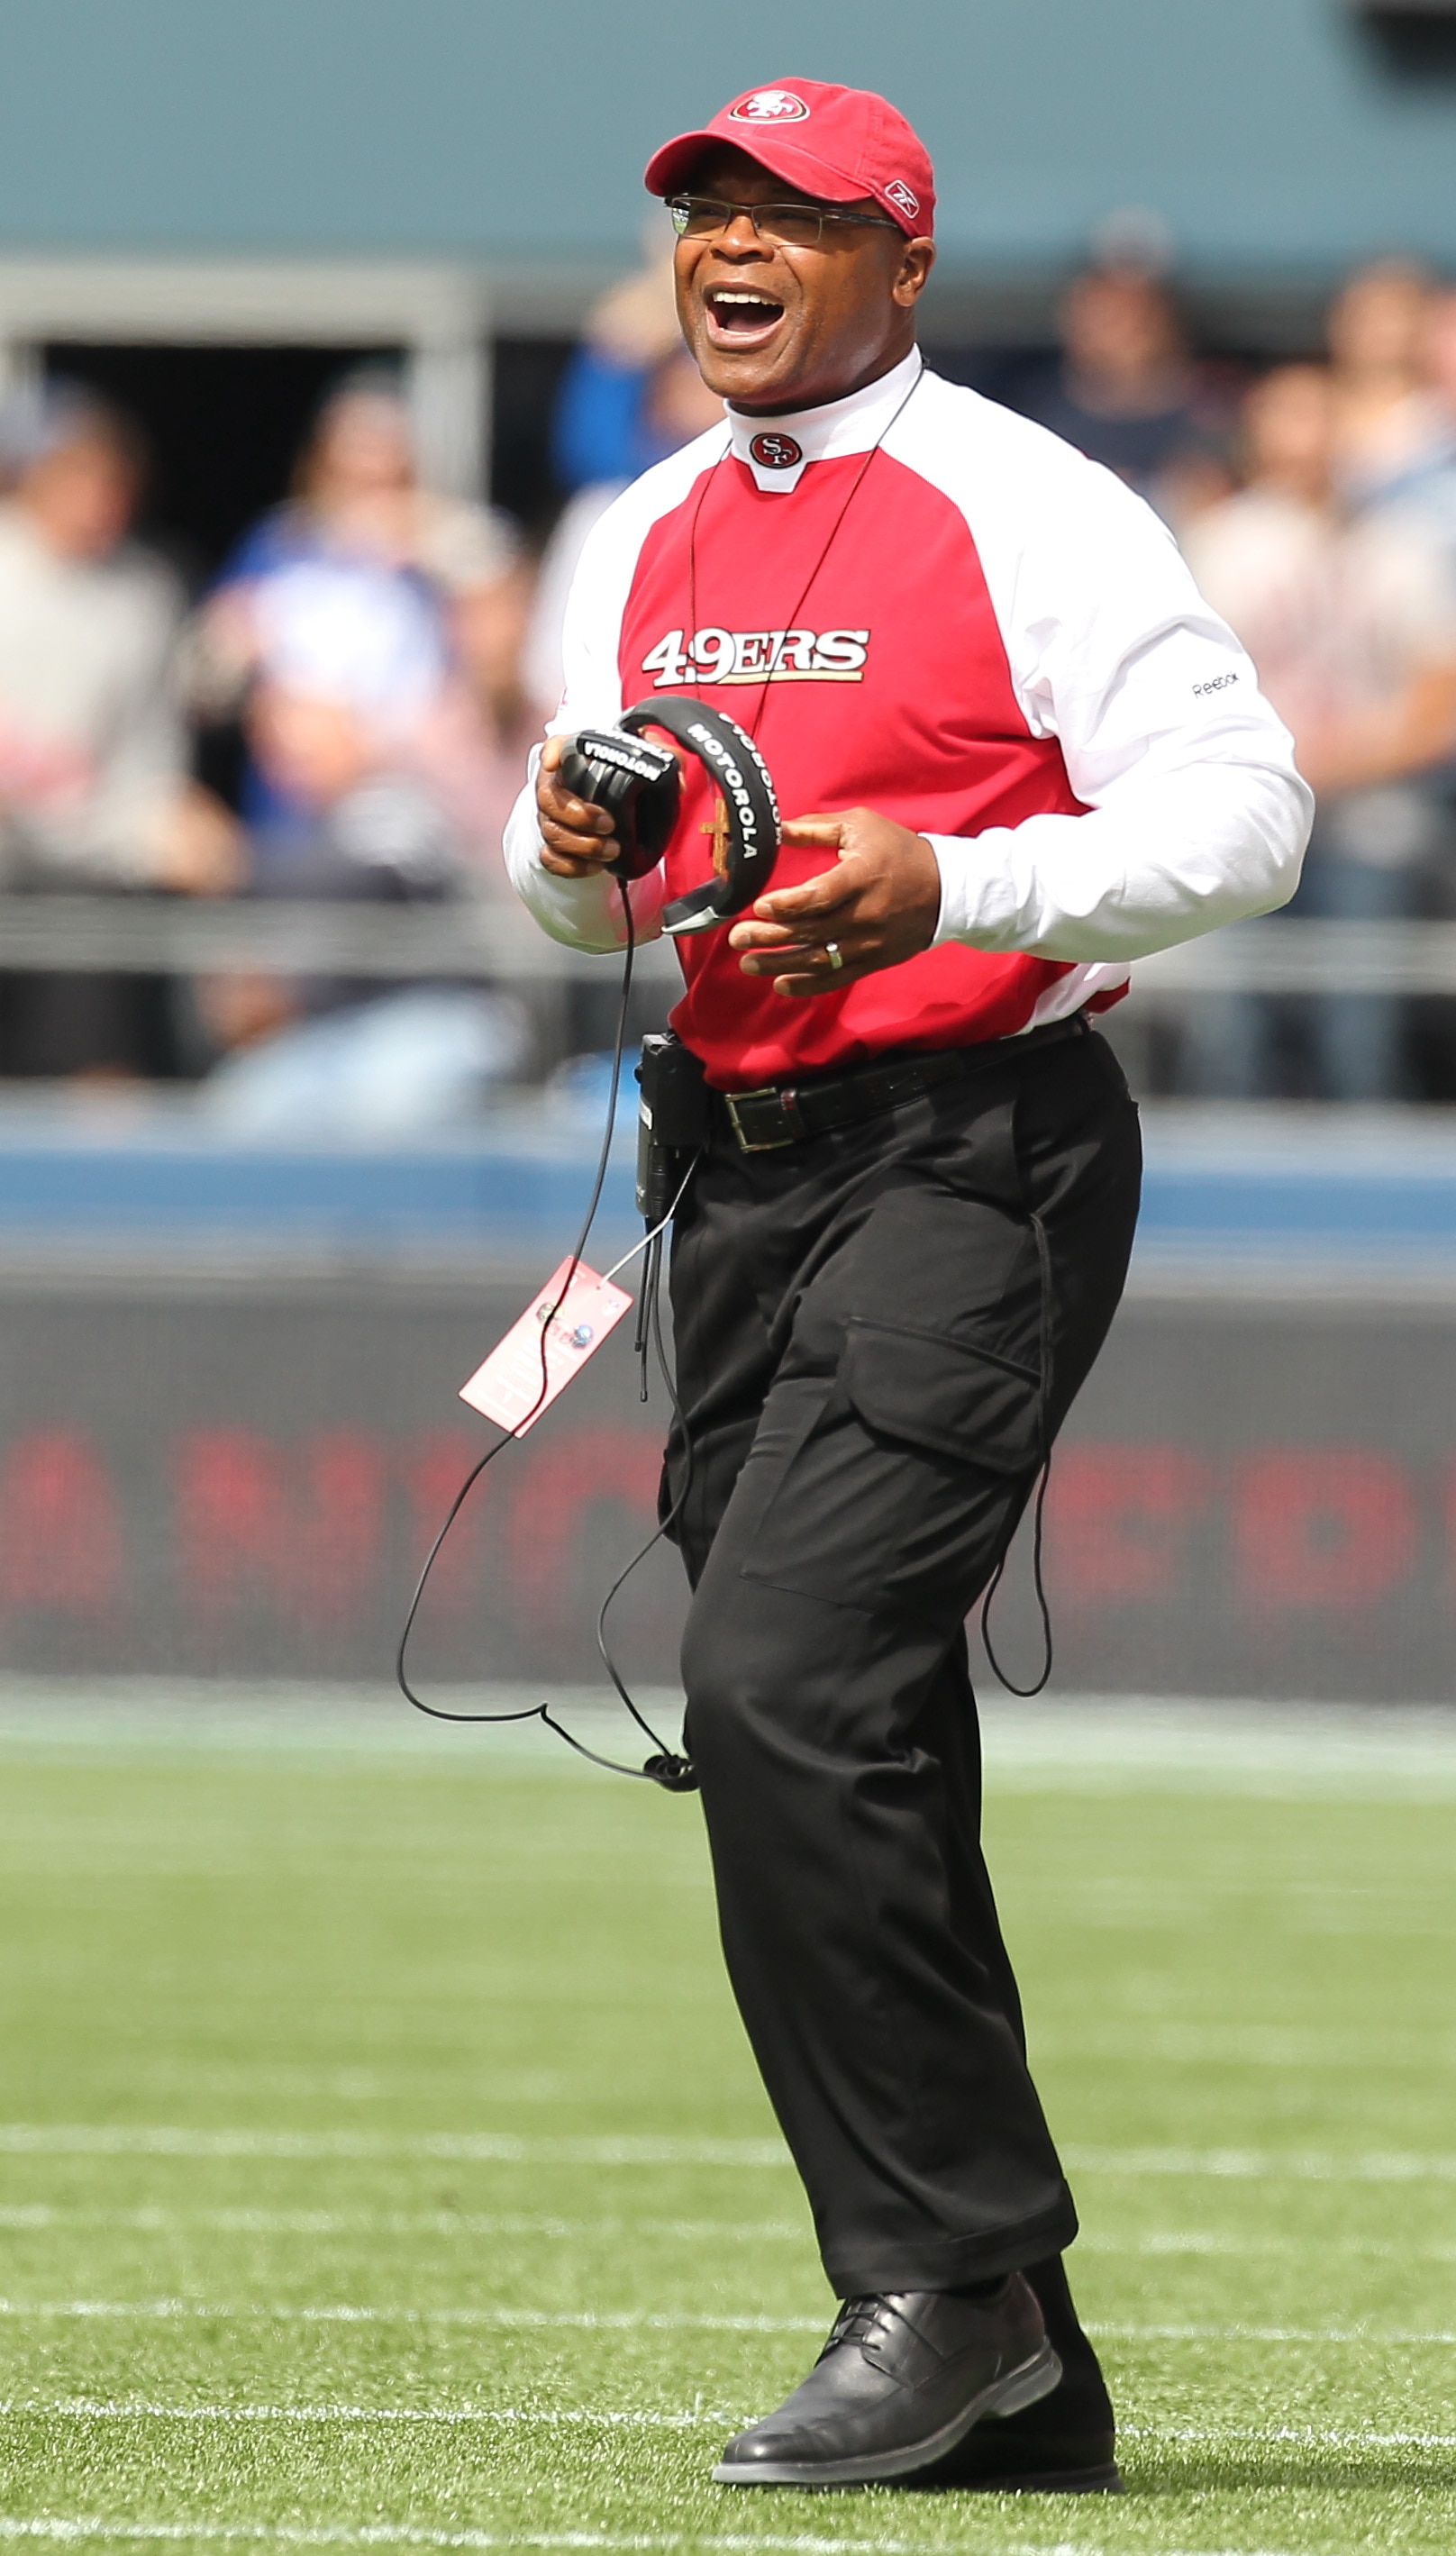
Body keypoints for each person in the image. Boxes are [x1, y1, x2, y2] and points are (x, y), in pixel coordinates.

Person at [506, 78, 1309, 2493]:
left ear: (906, 262)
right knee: (839, 1730)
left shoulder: (1036, 503)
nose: (731, 249)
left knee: (778, 1681)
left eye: (790, 216)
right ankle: (1023, 2356)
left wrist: (943, 885)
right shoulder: (629, 523)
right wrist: (566, 851)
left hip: (974, 1158)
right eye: (703, 215)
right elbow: (573, 902)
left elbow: (1247, 820)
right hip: (731, 1180)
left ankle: (938, 2277)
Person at [1182, 363, 1456, 1098]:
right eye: (1292, 415)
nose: (1313, 434)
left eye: (1326, 414)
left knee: (1360, 1032)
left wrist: (1340, 764)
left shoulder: (1403, 545)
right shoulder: (1218, 541)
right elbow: (1182, 690)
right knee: (1233, 1033)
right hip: (1245, 810)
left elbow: (1441, 701)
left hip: (1372, 817)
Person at [0, 383, 240, 1076]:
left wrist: (158, 828)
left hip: (83, 886)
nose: (98, 499)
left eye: (111, 481)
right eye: (77, 475)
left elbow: (147, 771)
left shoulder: (145, 593)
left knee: (104, 1078)